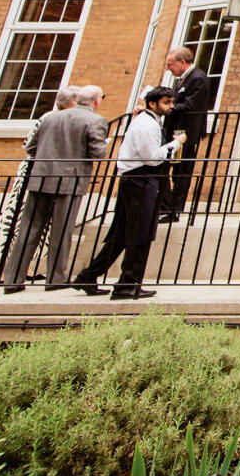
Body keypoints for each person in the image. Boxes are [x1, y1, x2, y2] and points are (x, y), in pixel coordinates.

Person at [74, 87, 183, 299]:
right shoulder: (147, 125)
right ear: (153, 104)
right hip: (141, 181)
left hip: (135, 181)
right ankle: (127, 284)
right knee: (140, 233)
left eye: (172, 102)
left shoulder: (147, 121)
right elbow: (152, 158)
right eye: (167, 102)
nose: (171, 106)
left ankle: (89, 276)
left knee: (122, 234)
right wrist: (175, 144)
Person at [2, 85, 109, 293]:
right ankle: (56, 278)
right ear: (96, 101)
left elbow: (31, 148)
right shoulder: (95, 120)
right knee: (62, 231)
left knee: (28, 229)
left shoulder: (50, 117)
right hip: (69, 181)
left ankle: (12, 279)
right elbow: (98, 153)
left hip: (40, 178)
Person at [159, 47, 213, 223]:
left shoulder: (198, 78)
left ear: (182, 62)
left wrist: (166, 108)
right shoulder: (183, 78)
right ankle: (167, 205)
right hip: (176, 130)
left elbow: (190, 105)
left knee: (181, 171)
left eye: (170, 64)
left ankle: (174, 209)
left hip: (185, 132)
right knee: (165, 167)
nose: (168, 69)